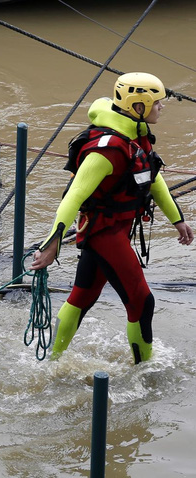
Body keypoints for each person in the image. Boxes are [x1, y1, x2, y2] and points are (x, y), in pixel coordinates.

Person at [31, 72, 193, 364]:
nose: (162, 108)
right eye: (157, 102)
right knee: (143, 303)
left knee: (81, 297)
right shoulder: (107, 150)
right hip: (105, 234)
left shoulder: (136, 137)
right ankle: (143, 373)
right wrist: (51, 243)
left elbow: (151, 179)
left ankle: (51, 363)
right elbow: (73, 197)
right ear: (139, 105)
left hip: (113, 231)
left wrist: (177, 220)